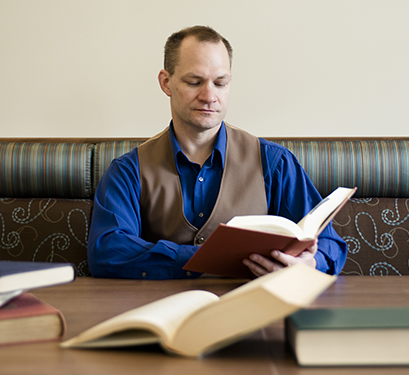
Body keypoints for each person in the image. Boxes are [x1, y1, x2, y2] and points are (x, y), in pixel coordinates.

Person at [87, 26, 347, 279]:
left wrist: (309, 263)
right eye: (194, 81)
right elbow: (107, 251)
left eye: (220, 83)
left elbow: (329, 244)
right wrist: (205, 258)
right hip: (165, 313)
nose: (209, 96)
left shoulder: (275, 162)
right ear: (166, 83)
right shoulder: (128, 170)